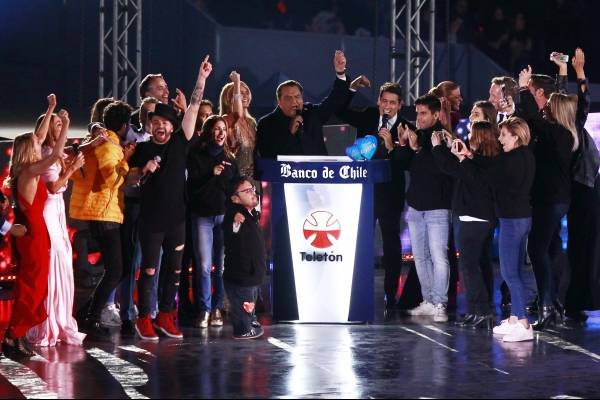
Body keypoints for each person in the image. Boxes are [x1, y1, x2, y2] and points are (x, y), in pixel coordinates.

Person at [128, 55, 213, 340]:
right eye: (156, 123)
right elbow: (128, 179)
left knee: (174, 273)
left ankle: (166, 315)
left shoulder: (180, 142)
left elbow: (193, 108)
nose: (160, 127)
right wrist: (142, 170)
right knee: (150, 270)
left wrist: (201, 79)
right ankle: (144, 318)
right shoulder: (140, 150)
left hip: (177, 219)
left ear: (172, 126)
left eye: (165, 123)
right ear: (150, 126)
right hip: (151, 221)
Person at [336, 80, 422, 312]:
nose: (387, 106)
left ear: (400, 105)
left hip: (390, 195)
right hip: (363, 193)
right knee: (358, 241)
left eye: (392, 103)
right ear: (378, 101)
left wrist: (392, 147)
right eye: (384, 101)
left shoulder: (406, 127)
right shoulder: (368, 116)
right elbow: (340, 111)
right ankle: (353, 288)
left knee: (391, 246)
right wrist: (351, 89)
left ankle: (390, 293)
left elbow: (406, 164)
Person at [2, 95, 68, 358]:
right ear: (27, 150)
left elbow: (39, 137)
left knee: (36, 285)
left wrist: (50, 109)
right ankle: (12, 336)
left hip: (35, 231)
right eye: (35, 145)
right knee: (33, 286)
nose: (39, 145)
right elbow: (51, 157)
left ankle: (17, 335)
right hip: (33, 233)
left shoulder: (24, 170)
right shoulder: (29, 172)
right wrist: (64, 123)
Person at [458, 117, 535, 342]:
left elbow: (486, 177)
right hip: (522, 218)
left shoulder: (510, 159)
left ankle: (523, 322)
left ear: (516, 136)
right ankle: (514, 318)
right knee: (515, 271)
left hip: (512, 220)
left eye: (503, 135)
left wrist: (463, 161)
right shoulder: (525, 155)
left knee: (510, 273)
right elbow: (491, 165)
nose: (499, 139)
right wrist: (471, 156)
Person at [518, 63, 578, 330]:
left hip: (550, 199)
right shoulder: (562, 130)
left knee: (537, 248)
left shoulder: (556, 131)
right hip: (555, 198)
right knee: (551, 247)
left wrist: (522, 89)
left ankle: (547, 306)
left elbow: (532, 119)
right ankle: (553, 302)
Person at [70, 100, 135, 338]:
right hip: (104, 213)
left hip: (104, 212)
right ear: (124, 125)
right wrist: (126, 161)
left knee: (118, 267)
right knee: (116, 269)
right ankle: (92, 318)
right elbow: (111, 179)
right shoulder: (109, 145)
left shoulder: (107, 141)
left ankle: (87, 313)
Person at [27, 95, 87, 347]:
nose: (62, 129)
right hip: (49, 212)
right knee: (54, 263)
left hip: (57, 212)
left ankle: (60, 316)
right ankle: (48, 320)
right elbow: (53, 187)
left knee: (61, 262)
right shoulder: (47, 153)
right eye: (58, 126)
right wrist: (71, 171)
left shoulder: (55, 154)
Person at [432, 121, 500, 329]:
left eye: (472, 133)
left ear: (479, 137)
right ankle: (475, 310)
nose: (469, 136)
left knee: (469, 266)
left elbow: (453, 169)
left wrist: (437, 147)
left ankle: (483, 311)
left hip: (474, 218)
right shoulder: (481, 160)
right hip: (477, 218)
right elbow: (457, 166)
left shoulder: (482, 163)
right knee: (474, 264)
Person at [392, 94, 453, 323]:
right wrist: (403, 144)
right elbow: (402, 164)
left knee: (439, 256)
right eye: (417, 113)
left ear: (436, 114)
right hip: (416, 206)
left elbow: (442, 168)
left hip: (437, 206)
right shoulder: (416, 136)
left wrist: (418, 148)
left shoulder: (443, 138)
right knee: (420, 258)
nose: (419, 117)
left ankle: (440, 303)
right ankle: (428, 299)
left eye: (424, 113)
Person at [187, 115, 239, 328]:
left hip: (224, 218)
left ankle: (217, 308)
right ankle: (205, 309)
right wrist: (211, 174)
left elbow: (233, 189)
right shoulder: (196, 156)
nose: (220, 133)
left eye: (223, 129)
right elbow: (191, 188)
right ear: (209, 131)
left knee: (221, 267)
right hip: (203, 217)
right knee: (204, 266)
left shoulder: (230, 159)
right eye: (216, 129)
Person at [256, 50, 350, 159]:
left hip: (316, 173)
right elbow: (268, 155)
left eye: (297, 97)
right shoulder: (266, 124)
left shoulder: (312, 113)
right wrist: (290, 133)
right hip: (284, 174)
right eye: (288, 98)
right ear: (279, 102)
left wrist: (340, 73)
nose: (294, 102)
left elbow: (334, 100)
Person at [564, 48, 600, 323]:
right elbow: (581, 100)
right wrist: (574, 73)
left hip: (586, 191)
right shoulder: (567, 129)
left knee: (582, 248)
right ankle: (574, 300)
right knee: (578, 249)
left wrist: (577, 73)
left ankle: (577, 301)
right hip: (579, 192)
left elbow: (583, 99)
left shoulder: (574, 127)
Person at [224, 177, 266, 339]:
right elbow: (230, 228)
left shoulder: (251, 214)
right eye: (247, 191)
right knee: (244, 303)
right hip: (241, 276)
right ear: (235, 198)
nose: (252, 193)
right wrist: (234, 220)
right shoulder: (235, 215)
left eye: (252, 189)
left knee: (251, 301)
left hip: (252, 275)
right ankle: (243, 328)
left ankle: (250, 320)